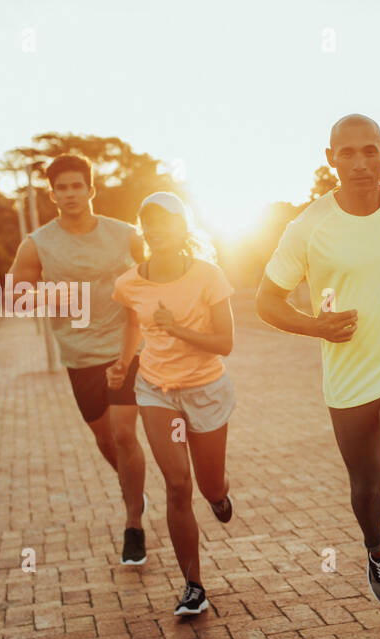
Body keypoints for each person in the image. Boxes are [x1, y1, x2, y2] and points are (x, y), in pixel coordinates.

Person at [256, 114, 380, 639]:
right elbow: (266, 301)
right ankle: (375, 545)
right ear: (330, 159)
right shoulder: (307, 226)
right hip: (347, 379)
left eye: (370, 150)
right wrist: (314, 326)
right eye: (348, 153)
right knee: (367, 492)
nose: (361, 162)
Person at [8, 154, 150, 564]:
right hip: (78, 355)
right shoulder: (37, 243)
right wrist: (52, 295)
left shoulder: (125, 234)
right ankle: (133, 490)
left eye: (77, 186)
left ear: (91, 189)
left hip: (126, 347)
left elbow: (152, 278)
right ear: (52, 194)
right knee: (105, 438)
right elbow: (15, 296)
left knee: (125, 434)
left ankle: (133, 523)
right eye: (62, 187)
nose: (70, 193)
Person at [109, 192, 236, 617]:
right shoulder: (129, 282)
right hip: (156, 389)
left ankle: (219, 496)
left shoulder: (208, 276)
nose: (156, 229)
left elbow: (225, 342)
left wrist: (178, 328)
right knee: (178, 484)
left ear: (183, 227)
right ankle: (193, 586)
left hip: (206, 388)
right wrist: (124, 361)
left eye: (165, 221)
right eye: (148, 222)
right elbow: (131, 323)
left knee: (208, 484)